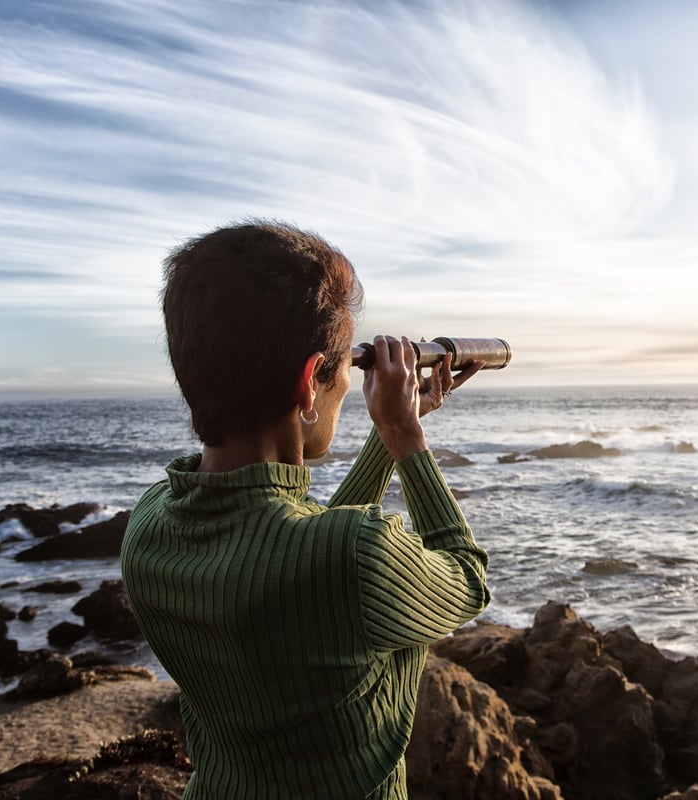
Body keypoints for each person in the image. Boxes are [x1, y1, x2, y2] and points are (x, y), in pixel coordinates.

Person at [120, 221, 490, 800]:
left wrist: (385, 438)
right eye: (344, 369)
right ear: (308, 382)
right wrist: (405, 436)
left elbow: (308, 560)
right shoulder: (349, 555)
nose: (350, 382)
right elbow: (467, 578)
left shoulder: (148, 526)